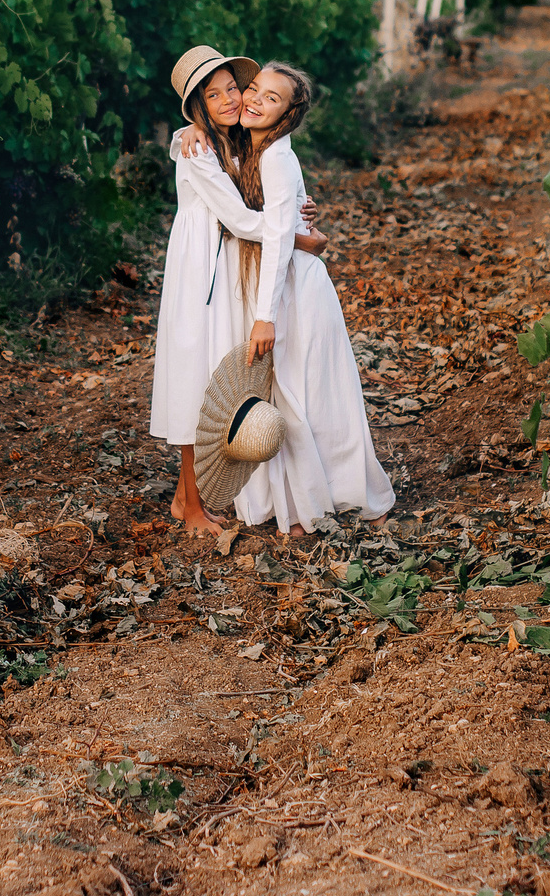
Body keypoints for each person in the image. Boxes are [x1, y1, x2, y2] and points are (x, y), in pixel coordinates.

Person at [147, 47, 323, 536]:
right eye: (213, 94)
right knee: (192, 379)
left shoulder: (234, 143)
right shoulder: (199, 147)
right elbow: (242, 218)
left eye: (233, 88)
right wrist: (298, 235)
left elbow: (267, 192)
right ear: (198, 106)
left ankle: (189, 496)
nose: (228, 100)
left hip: (223, 268)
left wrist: (297, 213)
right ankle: (191, 506)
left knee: (210, 374)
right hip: (198, 270)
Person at [223, 61, 394, 534]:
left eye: (271, 98)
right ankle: (299, 504)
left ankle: (349, 500)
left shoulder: (276, 156)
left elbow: (279, 237)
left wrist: (265, 316)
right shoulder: (246, 147)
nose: (255, 99)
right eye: (253, 88)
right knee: (286, 395)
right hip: (280, 282)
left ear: (288, 114)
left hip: (294, 289)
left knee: (309, 396)